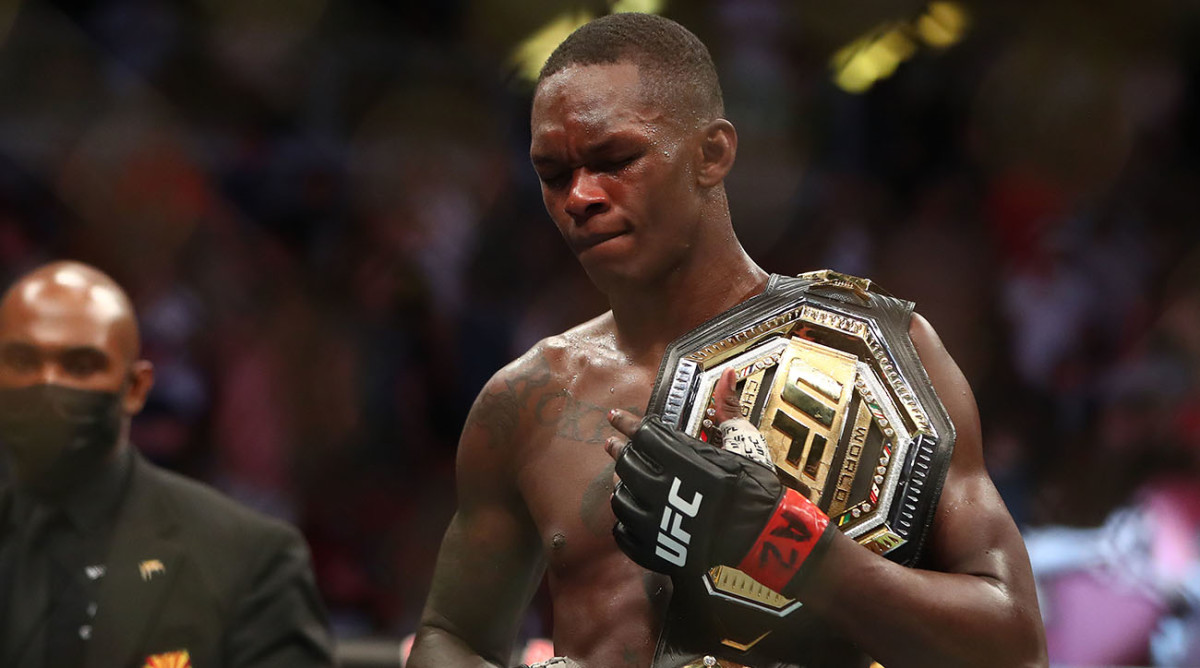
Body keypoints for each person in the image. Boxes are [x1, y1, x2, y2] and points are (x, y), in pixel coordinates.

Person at [409, 12, 1045, 668]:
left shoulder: (874, 354)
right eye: (553, 173)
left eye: (615, 159)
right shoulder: (527, 397)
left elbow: (1015, 646)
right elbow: (449, 634)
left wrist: (784, 541)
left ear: (712, 153)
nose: (580, 196)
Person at [0, 261, 335, 668]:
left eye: (80, 365)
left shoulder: (247, 560)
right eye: (21, 361)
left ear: (136, 387)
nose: (48, 385)